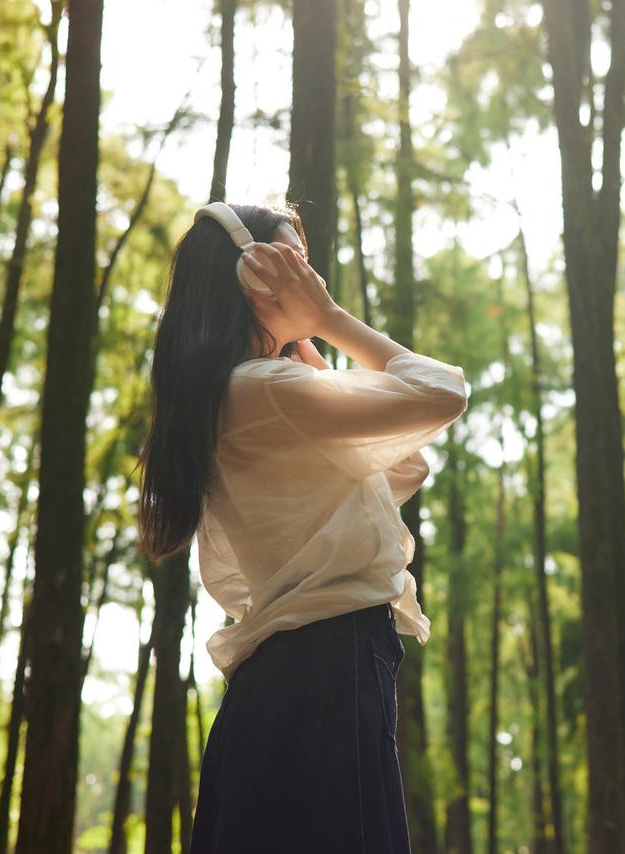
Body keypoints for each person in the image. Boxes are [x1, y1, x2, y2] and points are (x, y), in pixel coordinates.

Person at [137, 202, 468, 852]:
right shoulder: (262, 392)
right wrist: (330, 321)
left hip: (302, 674)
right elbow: (441, 393)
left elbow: (405, 463)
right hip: (327, 670)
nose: (311, 283)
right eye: (296, 267)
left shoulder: (253, 393)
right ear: (252, 276)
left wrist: (304, 340)